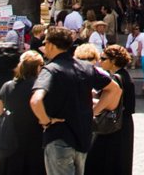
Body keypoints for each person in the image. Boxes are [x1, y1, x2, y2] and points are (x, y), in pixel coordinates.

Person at [31, 26, 121, 175]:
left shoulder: (50, 70)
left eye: (45, 42)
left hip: (59, 137)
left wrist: (45, 121)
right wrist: (95, 111)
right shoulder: (85, 67)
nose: (44, 46)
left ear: (52, 45)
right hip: (82, 136)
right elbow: (114, 89)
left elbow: (35, 101)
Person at [86, 45, 136, 175]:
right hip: (124, 122)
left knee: (102, 159)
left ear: (113, 61)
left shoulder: (116, 79)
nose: (100, 61)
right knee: (119, 160)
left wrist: (93, 107)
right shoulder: (125, 76)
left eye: (103, 58)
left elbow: (111, 104)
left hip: (113, 122)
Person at [0, 50, 47, 175]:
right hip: (35, 137)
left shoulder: (7, 86)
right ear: (37, 68)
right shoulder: (40, 88)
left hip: (10, 137)